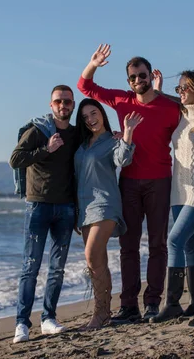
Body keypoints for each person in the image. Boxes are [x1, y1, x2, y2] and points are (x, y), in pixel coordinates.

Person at [77, 44, 181, 321]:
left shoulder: (170, 107)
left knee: (158, 244)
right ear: (128, 81)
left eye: (142, 75)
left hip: (160, 180)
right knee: (129, 246)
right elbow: (85, 86)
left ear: (150, 75)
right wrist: (94, 63)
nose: (138, 80)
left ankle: (152, 303)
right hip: (129, 183)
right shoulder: (122, 100)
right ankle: (128, 305)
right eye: (133, 77)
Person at [9, 85, 79, 343]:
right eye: (59, 102)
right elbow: (15, 159)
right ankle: (21, 324)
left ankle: (48, 318)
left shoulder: (75, 133)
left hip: (66, 208)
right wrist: (45, 150)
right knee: (31, 266)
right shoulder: (37, 131)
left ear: (73, 105)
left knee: (58, 269)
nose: (63, 106)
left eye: (68, 102)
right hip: (38, 205)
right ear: (51, 105)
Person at [149, 70, 194, 323]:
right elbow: (163, 101)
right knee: (189, 245)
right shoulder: (181, 114)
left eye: (185, 88)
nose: (181, 92)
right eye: (179, 89)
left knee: (174, 240)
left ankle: (173, 302)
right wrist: (159, 88)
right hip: (178, 191)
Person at [74, 99, 143, 329]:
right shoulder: (82, 145)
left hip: (105, 204)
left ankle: (100, 313)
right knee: (97, 260)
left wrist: (128, 133)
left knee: (91, 254)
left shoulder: (112, 141)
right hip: (84, 209)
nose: (91, 119)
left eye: (94, 113)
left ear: (102, 113)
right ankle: (103, 313)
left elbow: (123, 159)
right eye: (85, 117)